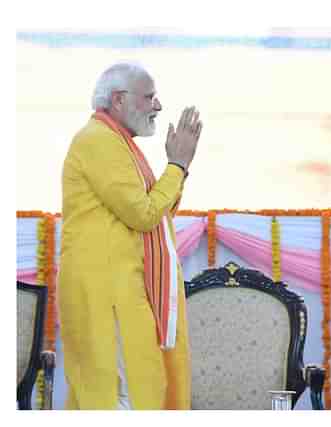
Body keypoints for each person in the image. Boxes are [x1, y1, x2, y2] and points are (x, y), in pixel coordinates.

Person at [58, 62, 203, 409]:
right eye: (149, 97)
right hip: (105, 290)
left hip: (119, 287)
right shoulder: (98, 141)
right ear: (119, 100)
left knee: (130, 389)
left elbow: (156, 211)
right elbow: (143, 214)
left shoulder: (116, 142)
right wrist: (178, 165)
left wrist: (176, 169)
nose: (158, 106)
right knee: (119, 396)